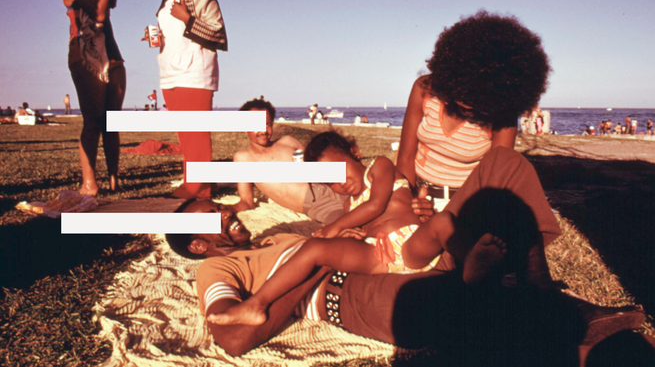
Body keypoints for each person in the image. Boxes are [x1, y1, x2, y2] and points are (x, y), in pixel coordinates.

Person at [166, 146, 645, 363]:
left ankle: (539, 294)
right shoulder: (217, 267)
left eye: (223, 205)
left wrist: (405, 217)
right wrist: (319, 265)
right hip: (349, 288)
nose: (230, 211)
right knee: (464, 306)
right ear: (198, 243)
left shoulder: (279, 235)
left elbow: (364, 221)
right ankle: (566, 328)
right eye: (216, 216)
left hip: (396, 253)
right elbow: (230, 336)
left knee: (506, 164)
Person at [210, 131, 440, 326]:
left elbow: (376, 205)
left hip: (411, 244)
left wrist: (336, 227)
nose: (340, 183)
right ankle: (256, 303)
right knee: (315, 248)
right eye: (331, 182)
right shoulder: (350, 205)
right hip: (379, 257)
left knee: (444, 223)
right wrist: (344, 234)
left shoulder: (379, 166)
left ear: (355, 153)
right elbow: (357, 229)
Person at [396, 11, 549, 215]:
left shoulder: (502, 115)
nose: (467, 99)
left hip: (468, 205)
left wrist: (453, 215)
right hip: (417, 195)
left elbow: (494, 180)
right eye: (463, 87)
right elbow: (405, 157)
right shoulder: (424, 89)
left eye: (479, 92)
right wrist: (410, 201)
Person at [231, 99, 346, 224]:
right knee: (347, 225)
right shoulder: (243, 158)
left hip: (335, 185)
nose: (263, 131)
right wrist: (225, 209)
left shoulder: (288, 141)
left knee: (367, 201)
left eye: (267, 124)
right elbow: (247, 202)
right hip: (317, 203)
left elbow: (318, 163)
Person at [156, 0, 228, 199]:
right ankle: (202, 187)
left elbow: (218, 33)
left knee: (196, 133)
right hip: (169, 71)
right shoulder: (165, 0)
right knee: (186, 135)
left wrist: (187, 18)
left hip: (195, 71)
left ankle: (194, 185)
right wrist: (158, 38)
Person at [65, 0, 126, 196]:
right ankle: (90, 183)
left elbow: (104, 10)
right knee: (93, 120)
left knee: (110, 121)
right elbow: (100, 13)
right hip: (86, 54)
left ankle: (113, 180)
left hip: (111, 53)